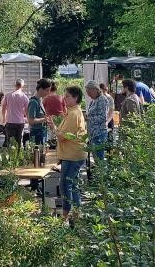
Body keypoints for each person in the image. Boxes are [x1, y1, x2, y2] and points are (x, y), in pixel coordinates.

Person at [47, 86, 87, 221]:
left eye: (67, 96)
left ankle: (65, 216)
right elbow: (63, 134)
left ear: (75, 98)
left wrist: (53, 129)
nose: (64, 98)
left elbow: (62, 136)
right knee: (72, 185)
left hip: (72, 155)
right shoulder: (73, 111)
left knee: (65, 185)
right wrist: (54, 128)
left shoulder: (73, 113)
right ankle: (75, 214)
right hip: (74, 154)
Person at [85, 80, 108, 160]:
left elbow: (103, 117)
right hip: (93, 134)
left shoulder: (102, 99)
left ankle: (102, 172)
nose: (88, 94)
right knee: (96, 158)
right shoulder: (93, 101)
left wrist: (89, 119)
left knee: (99, 159)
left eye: (89, 92)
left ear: (95, 90)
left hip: (99, 134)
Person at [2, 79, 29, 147]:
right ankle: (18, 156)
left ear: (15, 85)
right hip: (20, 122)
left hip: (10, 121)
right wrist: (28, 120)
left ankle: (9, 157)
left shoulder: (8, 95)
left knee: (9, 142)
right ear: (22, 86)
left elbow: (3, 108)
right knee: (19, 141)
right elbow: (27, 111)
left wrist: (4, 119)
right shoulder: (25, 97)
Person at [27, 78, 51, 145]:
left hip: (41, 132)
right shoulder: (33, 102)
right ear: (40, 89)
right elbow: (31, 120)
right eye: (47, 90)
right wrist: (44, 119)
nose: (48, 92)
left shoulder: (40, 100)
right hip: (36, 134)